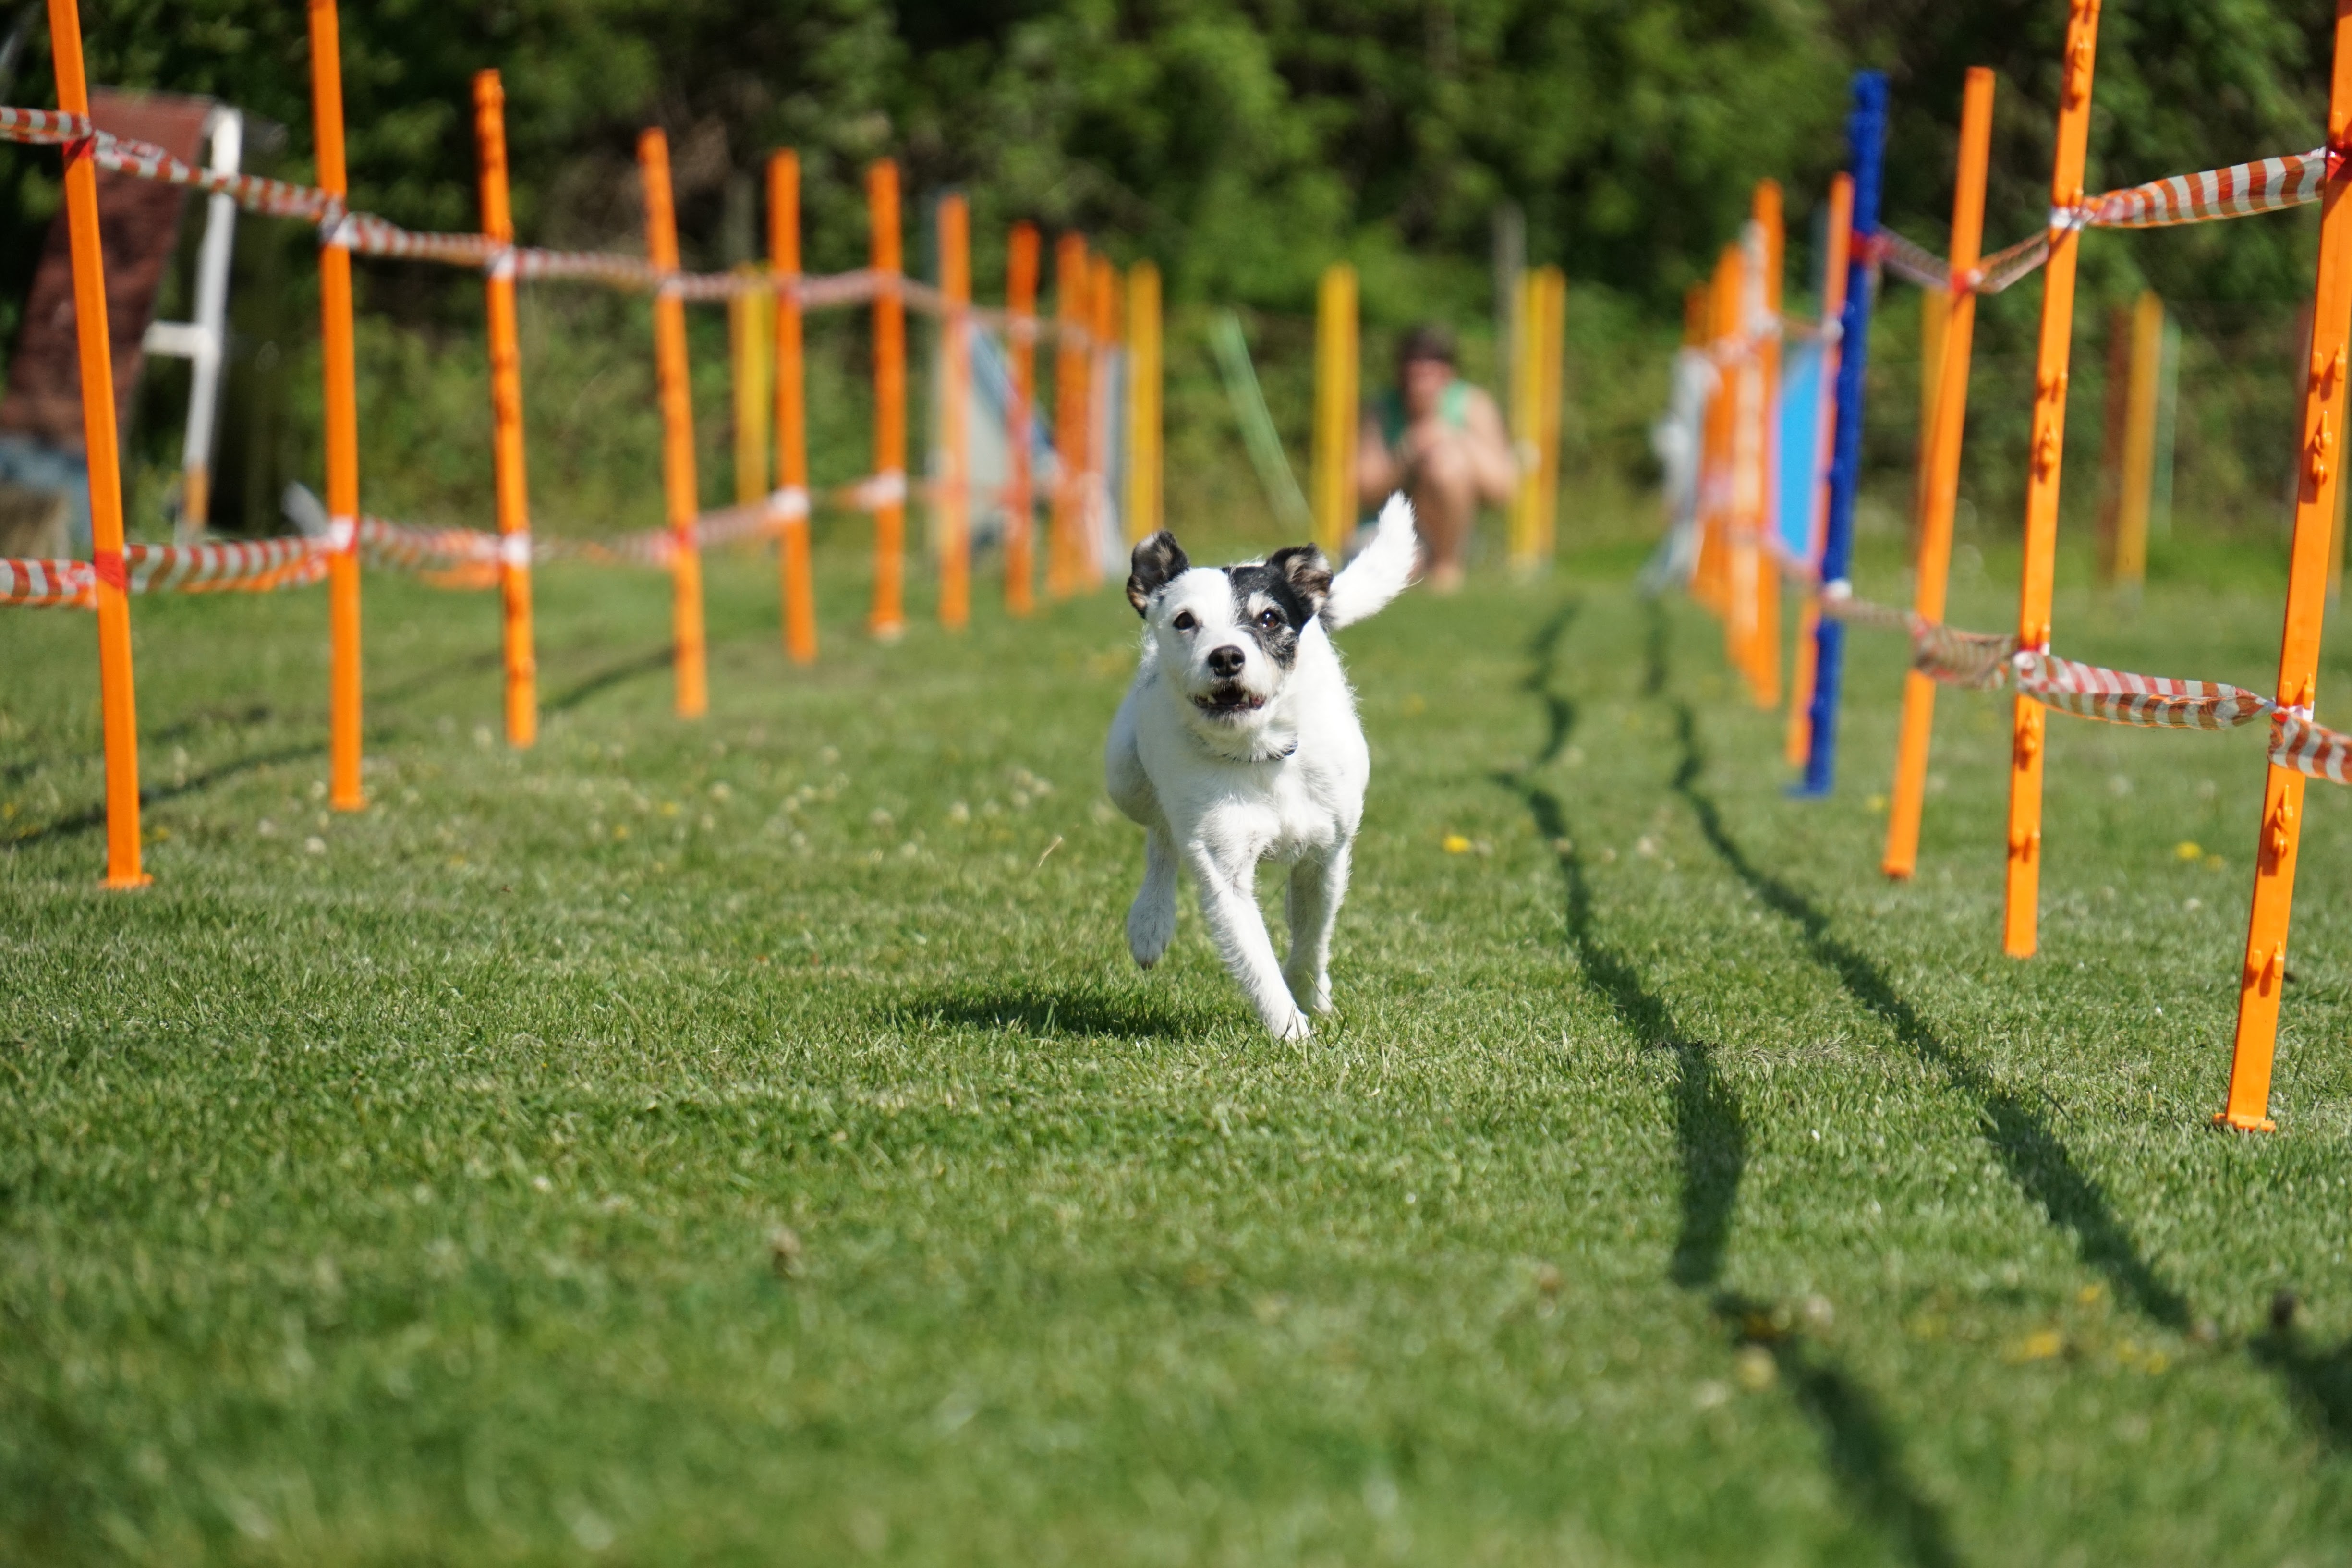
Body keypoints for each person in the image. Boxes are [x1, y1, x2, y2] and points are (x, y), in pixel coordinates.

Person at [1355, 324, 1517, 592]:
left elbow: (1503, 489)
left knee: (1447, 465)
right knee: (1396, 569)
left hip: (1449, 530)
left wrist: (1454, 439)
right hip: (1386, 526)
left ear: (1448, 373)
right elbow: (1366, 491)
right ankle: (1423, 562)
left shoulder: (1473, 405)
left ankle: (1447, 567)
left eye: (1430, 372)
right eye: (1415, 372)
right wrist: (1408, 452)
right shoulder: (1382, 410)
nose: (1422, 383)